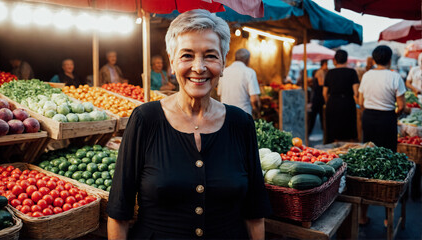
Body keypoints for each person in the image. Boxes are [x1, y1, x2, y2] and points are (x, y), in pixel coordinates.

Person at [107, 9, 272, 240]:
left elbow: (254, 212)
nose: (199, 67)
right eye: (187, 55)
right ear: (172, 63)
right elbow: (119, 213)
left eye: (210, 55)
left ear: (223, 63)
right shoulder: (145, 119)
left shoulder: (241, 123)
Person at [359, 45, 406, 152]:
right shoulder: (395, 77)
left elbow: (360, 102)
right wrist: (394, 115)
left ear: (374, 60)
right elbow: (402, 106)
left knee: (369, 153)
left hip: (368, 117)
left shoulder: (367, 75)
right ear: (390, 60)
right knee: (388, 153)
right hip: (387, 118)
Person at [323, 50, 359, 143]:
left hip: (333, 103)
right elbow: (356, 93)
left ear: (335, 60)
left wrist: (328, 102)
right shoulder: (352, 72)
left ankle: (332, 153)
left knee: (333, 130)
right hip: (348, 103)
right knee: (348, 129)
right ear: (347, 59)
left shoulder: (330, 73)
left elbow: (324, 92)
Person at [217, 48, 261, 117]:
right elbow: (254, 99)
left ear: (235, 58)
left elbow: (219, 94)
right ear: (247, 59)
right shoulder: (249, 72)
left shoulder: (224, 72)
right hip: (243, 114)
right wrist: (257, 110)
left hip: (226, 114)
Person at [308, 59, 328, 135]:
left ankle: (323, 133)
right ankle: (309, 132)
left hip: (318, 97)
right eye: (326, 64)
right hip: (318, 98)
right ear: (323, 65)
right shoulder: (320, 72)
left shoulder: (322, 72)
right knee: (316, 117)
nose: (327, 66)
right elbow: (321, 84)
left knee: (320, 117)